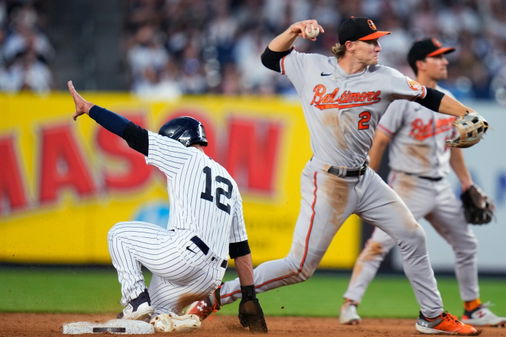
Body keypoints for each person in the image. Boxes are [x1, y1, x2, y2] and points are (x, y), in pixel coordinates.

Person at [189, 17, 482, 335]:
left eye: (378, 40)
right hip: (327, 181)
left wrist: (465, 113)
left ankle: (433, 315)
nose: (378, 47)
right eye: (371, 41)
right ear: (351, 45)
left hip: (365, 180)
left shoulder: (385, 77)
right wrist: (293, 31)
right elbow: (269, 58)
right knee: (300, 268)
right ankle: (218, 296)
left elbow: (430, 96)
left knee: (413, 236)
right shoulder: (311, 66)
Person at [67, 81, 267, 333]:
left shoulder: (182, 155)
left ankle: (135, 300)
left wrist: (89, 108)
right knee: (152, 323)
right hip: (210, 278)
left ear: (176, 140)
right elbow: (240, 249)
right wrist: (250, 296)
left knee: (119, 235)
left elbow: (132, 133)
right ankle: (165, 317)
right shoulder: (230, 181)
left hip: (183, 257)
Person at [338, 38, 506, 328]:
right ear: (421, 63)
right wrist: (367, 181)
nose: (444, 62)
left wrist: (467, 184)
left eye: (444, 57)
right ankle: (349, 304)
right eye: (437, 57)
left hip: (440, 187)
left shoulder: (447, 99)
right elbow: (380, 141)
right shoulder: (403, 96)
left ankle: (473, 308)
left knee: (466, 244)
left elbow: (453, 148)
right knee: (379, 245)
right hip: (407, 186)